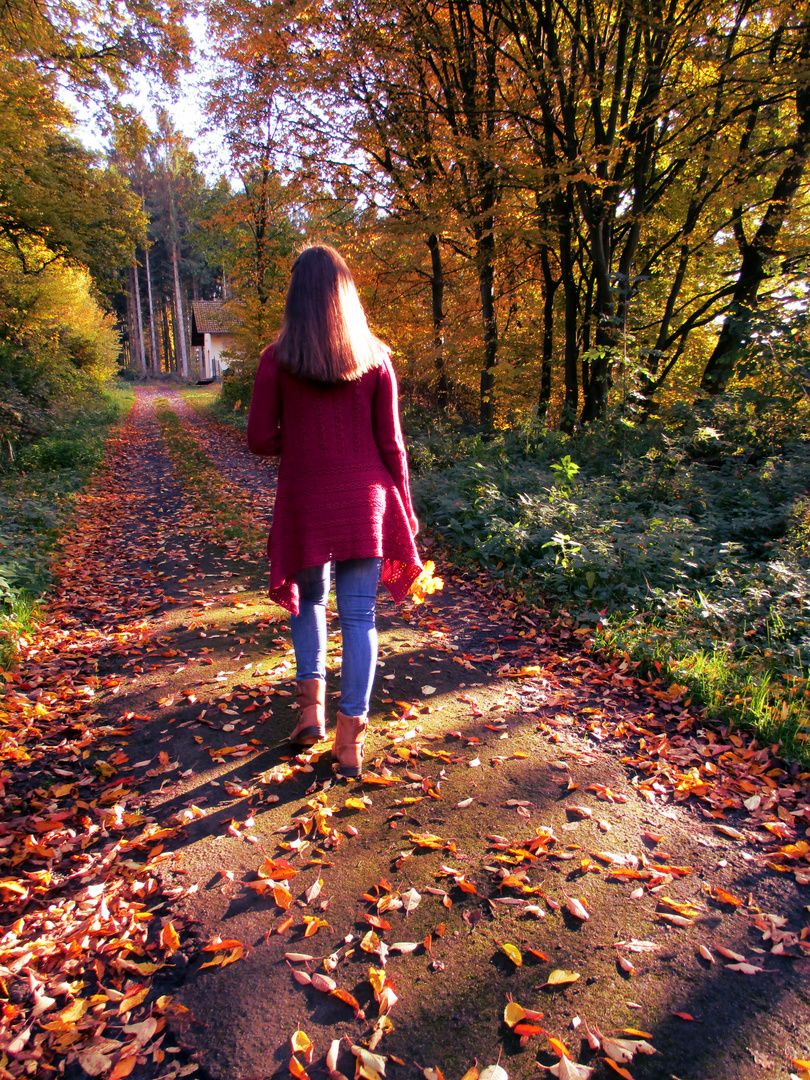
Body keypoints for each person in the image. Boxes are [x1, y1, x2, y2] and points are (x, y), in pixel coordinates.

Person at [247, 244, 422, 777]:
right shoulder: (374, 357)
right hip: (366, 501)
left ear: (296, 296)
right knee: (361, 616)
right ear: (345, 292)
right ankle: (350, 741)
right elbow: (391, 446)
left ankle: (310, 717)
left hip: (306, 498)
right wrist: (406, 513)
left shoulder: (276, 359)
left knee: (310, 603)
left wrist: (299, 443)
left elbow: (258, 438)